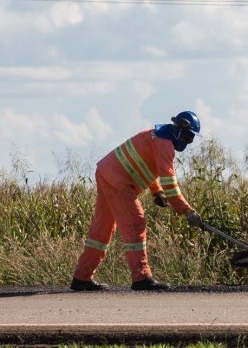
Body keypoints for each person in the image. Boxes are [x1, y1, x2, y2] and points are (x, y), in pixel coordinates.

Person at [70, 111, 205, 291]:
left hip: (106, 172)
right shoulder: (165, 145)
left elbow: (145, 163)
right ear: (180, 130)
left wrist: (156, 191)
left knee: (102, 228)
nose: (189, 142)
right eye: (189, 138)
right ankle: (141, 277)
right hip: (118, 181)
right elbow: (170, 184)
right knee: (135, 222)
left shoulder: (156, 134)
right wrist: (187, 211)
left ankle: (82, 277)